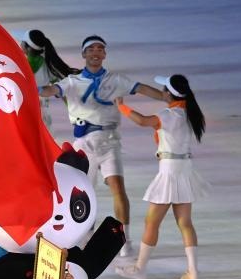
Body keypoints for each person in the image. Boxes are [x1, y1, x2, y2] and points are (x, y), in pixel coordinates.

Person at [38, 36, 165, 257]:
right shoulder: (72, 82)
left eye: (100, 49)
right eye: (91, 49)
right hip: (84, 144)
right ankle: (83, 237)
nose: (95, 53)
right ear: (84, 54)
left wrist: (166, 97)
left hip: (109, 141)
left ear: (104, 54)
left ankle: (124, 239)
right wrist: (30, 86)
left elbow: (141, 88)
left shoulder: (115, 80)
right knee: (82, 192)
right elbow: (51, 90)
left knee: (118, 188)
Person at [116, 74, 208, 279]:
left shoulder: (169, 115)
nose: (162, 92)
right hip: (185, 169)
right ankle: (193, 271)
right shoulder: (190, 114)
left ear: (168, 94)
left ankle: (140, 268)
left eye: (164, 89)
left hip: (169, 171)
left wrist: (122, 107)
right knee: (185, 222)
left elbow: (142, 121)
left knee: (151, 222)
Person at [18, 29, 76, 138]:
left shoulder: (21, 65)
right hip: (43, 112)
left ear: (27, 47)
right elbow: (60, 89)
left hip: (25, 112)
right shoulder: (47, 64)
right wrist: (72, 110)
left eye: (22, 42)